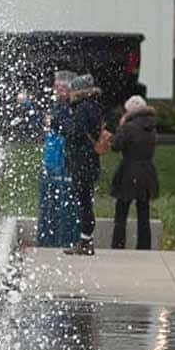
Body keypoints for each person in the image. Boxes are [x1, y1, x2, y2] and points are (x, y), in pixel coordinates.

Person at [61, 72, 107, 255]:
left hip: (82, 161)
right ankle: (85, 240)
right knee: (86, 200)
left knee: (84, 202)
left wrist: (63, 126)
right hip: (90, 161)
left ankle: (86, 241)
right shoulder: (94, 106)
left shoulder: (83, 108)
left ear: (79, 91)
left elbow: (76, 132)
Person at [109, 95, 159, 249]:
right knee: (143, 211)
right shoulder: (151, 126)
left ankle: (118, 244)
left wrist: (120, 126)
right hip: (148, 170)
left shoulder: (129, 127)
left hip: (129, 170)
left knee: (121, 210)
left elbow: (116, 146)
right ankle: (144, 245)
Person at [36, 72, 80, 247]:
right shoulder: (57, 107)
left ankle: (63, 239)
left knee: (65, 204)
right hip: (52, 162)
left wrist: (53, 122)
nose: (57, 90)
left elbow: (67, 131)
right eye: (56, 87)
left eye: (61, 88)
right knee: (50, 203)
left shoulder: (70, 109)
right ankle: (50, 238)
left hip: (64, 163)